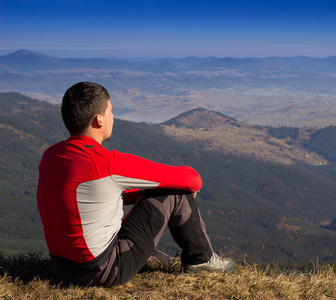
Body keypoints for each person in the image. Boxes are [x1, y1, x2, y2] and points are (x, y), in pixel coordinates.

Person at [36, 81, 235, 287]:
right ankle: (202, 259)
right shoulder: (104, 163)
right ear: (99, 120)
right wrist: (177, 188)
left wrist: (144, 193)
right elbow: (191, 178)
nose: (113, 117)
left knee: (159, 204)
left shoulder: (51, 156)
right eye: (110, 111)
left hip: (64, 267)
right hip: (102, 270)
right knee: (175, 191)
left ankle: (160, 258)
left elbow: (91, 198)